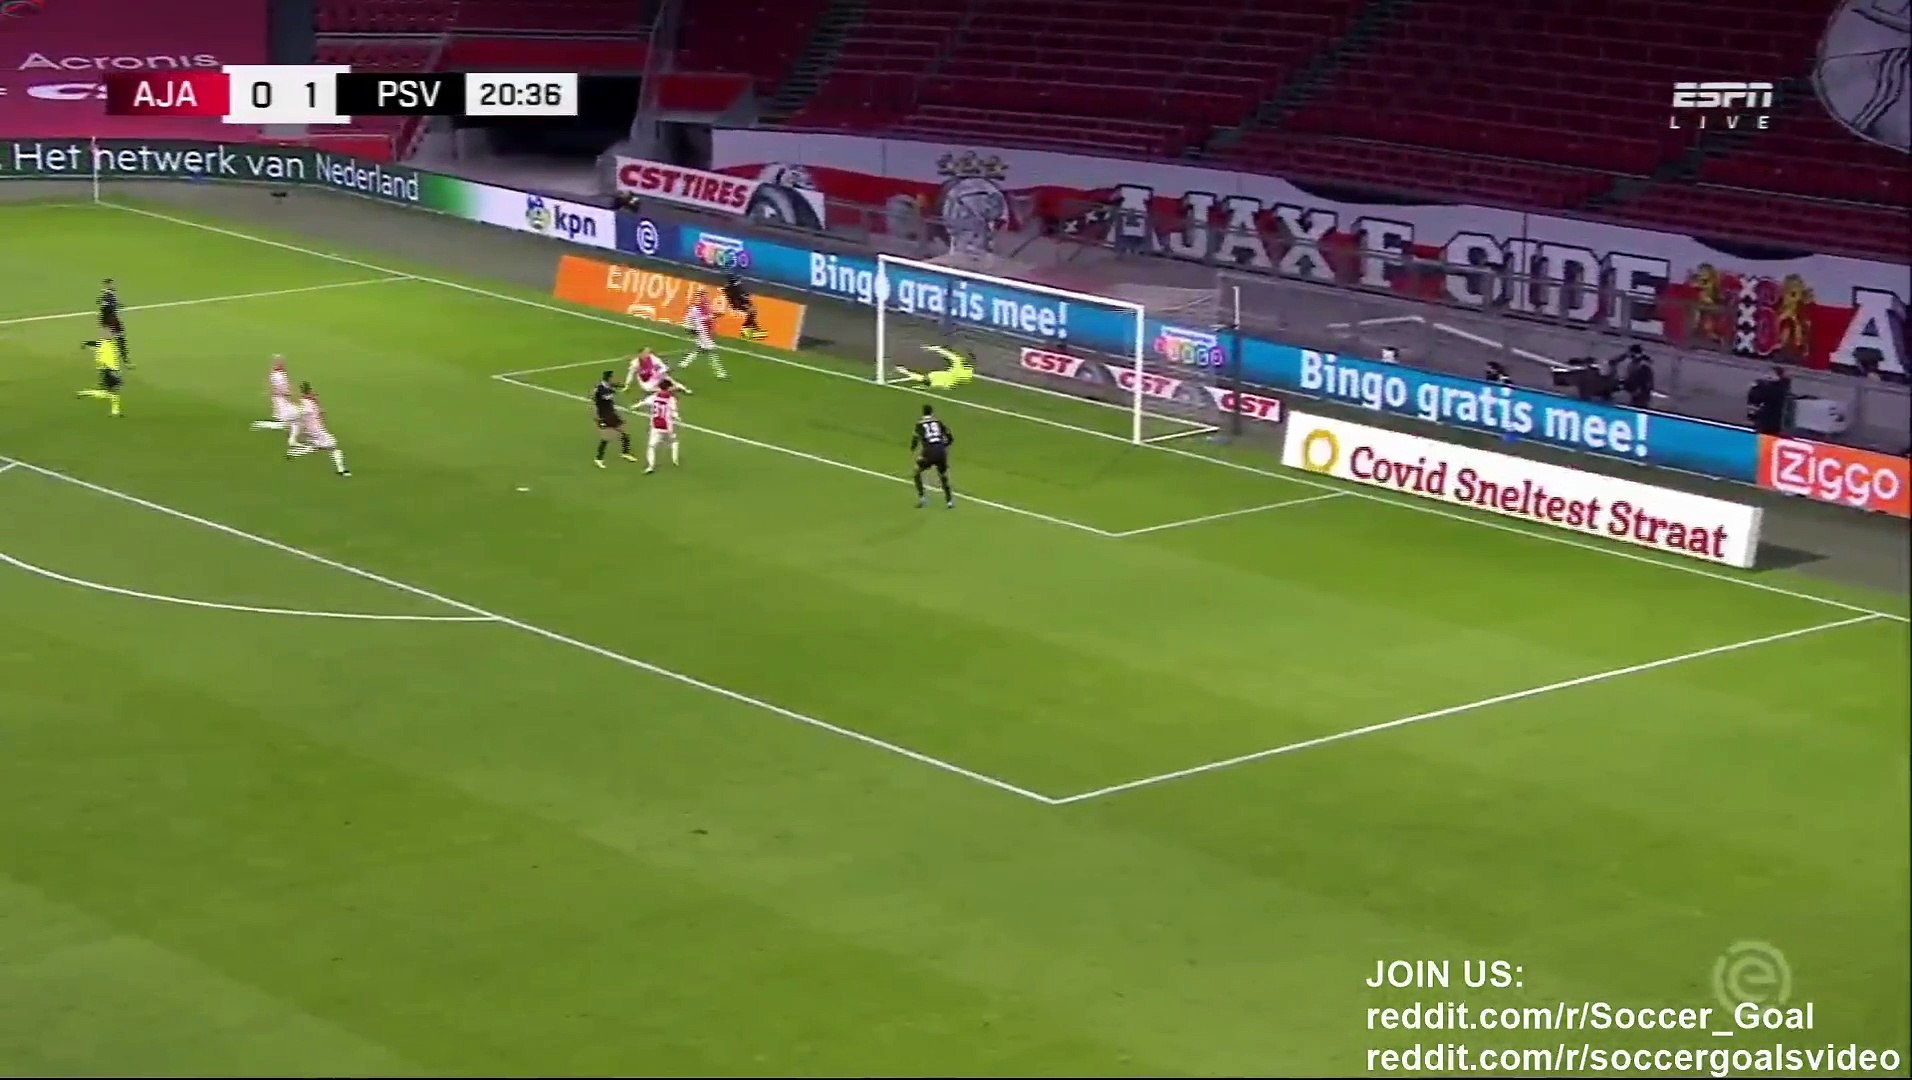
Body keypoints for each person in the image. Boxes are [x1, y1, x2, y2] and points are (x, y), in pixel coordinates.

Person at [287, 382, 349, 476]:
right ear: (309, 390)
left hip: (314, 429)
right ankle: (341, 470)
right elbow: (305, 412)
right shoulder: (308, 402)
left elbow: (307, 412)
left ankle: (294, 453)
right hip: (316, 430)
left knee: (320, 447)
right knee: (332, 447)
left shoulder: (307, 400)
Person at [250, 356, 304, 452]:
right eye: (280, 362)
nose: (283, 364)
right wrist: (291, 394)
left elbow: (274, 388)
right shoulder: (279, 376)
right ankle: (262, 424)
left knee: (293, 421)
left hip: (281, 401)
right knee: (295, 418)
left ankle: (292, 439)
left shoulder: (276, 374)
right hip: (282, 402)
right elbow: (282, 390)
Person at [910, 403, 955, 509]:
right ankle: (949, 501)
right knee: (943, 475)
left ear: (923, 413)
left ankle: (922, 498)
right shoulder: (938, 422)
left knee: (916, 472)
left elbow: (915, 439)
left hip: (928, 452)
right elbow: (950, 437)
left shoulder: (919, 424)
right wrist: (944, 445)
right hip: (941, 451)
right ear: (932, 412)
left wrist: (912, 448)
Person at [591, 369, 637, 468]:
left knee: (625, 432)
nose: (614, 379)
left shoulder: (608, 385)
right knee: (607, 437)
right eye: (613, 377)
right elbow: (607, 395)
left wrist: (625, 386)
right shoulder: (601, 389)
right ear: (609, 378)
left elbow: (617, 385)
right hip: (604, 415)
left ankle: (625, 453)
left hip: (611, 414)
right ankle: (598, 459)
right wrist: (620, 391)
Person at [637, 377, 684, 473]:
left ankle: (650, 466)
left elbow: (644, 402)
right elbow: (674, 412)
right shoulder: (671, 399)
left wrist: (635, 406)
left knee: (651, 446)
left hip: (656, 425)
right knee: (673, 441)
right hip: (667, 426)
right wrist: (677, 417)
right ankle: (675, 459)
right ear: (668, 388)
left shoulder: (654, 396)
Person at [681, 290, 727, 379]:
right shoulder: (695, 309)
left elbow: (710, 319)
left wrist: (715, 316)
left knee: (700, 349)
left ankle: (685, 362)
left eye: (706, 297)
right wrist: (691, 329)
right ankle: (720, 372)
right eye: (703, 297)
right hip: (701, 332)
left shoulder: (708, 307)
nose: (705, 298)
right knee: (710, 351)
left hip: (706, 332)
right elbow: (694, 320)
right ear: (700, 298)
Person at [74, 336, 123, 417]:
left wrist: (85, 343)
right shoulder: (105, 344)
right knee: (111, 391)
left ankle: (115, 411)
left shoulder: (106, 344)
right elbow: (95, 344)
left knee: (113, 391)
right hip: (108, 370)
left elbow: (94, 343)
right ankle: (84, 393)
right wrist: (85, 343)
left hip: (110, 370)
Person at [893, 344, 976, 390]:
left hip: (947, 381)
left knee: (926, 379)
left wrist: (935, 349)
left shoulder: (961, 364)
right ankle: (904, 371)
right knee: (927, 378)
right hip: (946, 377)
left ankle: (903, 371)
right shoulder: (965, 367)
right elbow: (948, 355)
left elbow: (948, 355)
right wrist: (935, 349)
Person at [1746, 365, 1792, 435]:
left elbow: (1759, 398)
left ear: (1778, 376)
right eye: (1768, 373)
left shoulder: (1777, 388)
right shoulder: (1780, 387)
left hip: (1771, 420)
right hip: (1770, 419)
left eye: (1772, 374)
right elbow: (1755, 401)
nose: (1769, 376)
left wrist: (1756, 388)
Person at [722, 272, 765, 341]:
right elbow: (738, 295)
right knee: (751, 312)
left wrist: (746, 296)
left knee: (752, 312)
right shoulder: (732, 287)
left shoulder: (730, 286)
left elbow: (741, 293)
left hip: (740, 302)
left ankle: (754, 327)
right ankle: (746, 328)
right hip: (737, 304)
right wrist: (746, 298)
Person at [98, 278, 130, 368]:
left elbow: (103, 305)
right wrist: (107, 323)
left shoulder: (108, 295)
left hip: (110, 320)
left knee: (118, 338)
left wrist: (118, 305)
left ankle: (122, 358)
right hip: (110, 320)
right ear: (107, 285)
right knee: (117, 339)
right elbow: (105, 308)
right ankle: (123, 359)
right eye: (112, 284)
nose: (114, 285)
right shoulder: (107, 296)